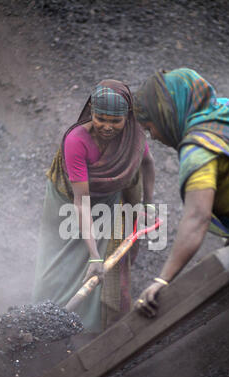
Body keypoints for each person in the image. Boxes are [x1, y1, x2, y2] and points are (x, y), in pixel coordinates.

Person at [133, 68, 229, 317]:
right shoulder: (226, 111)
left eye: (151, 128)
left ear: (166, 115)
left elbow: (196, 218)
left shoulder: (198, 149)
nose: (155, 137)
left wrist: (163, 279)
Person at [33, 79, 155, 333]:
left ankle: (89, 324)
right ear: (91, 111)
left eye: (115, 121)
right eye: (101, 118)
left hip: (106, 200)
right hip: (67, 201)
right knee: (61, 256)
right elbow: (81, 201)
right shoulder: (77, 140)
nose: (107, 127)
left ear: (127, 118)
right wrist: (95, 256)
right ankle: (43, 316)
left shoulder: (132, 137)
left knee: (103, 259)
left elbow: (147, 164)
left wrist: (148, 205)